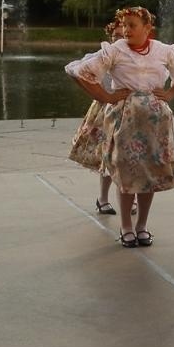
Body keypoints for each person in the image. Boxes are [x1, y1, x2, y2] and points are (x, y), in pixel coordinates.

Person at [70, 6, 174, 247]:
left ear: (148, 28)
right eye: (124, 25)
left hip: (155, 121)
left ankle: (142, 226)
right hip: (124, 119)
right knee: (125, 172)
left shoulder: (163, 50)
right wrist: (106, 96)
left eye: (132, 25)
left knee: (151, 173)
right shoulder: (115, 50)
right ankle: (126, 226)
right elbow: (79, 72)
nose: (126, 30)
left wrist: (169, 94)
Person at [66, 16, 126, 216]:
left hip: (129, 112)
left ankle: (127, 197)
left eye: (123, 35)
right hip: (106, 109)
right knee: (107, 157)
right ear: (110, 37)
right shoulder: (103, 56)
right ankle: (103, 198)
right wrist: (102, 95)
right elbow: (74, 71)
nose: (120, 39)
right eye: (116, 35)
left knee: (125, 157)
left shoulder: (133, 55)